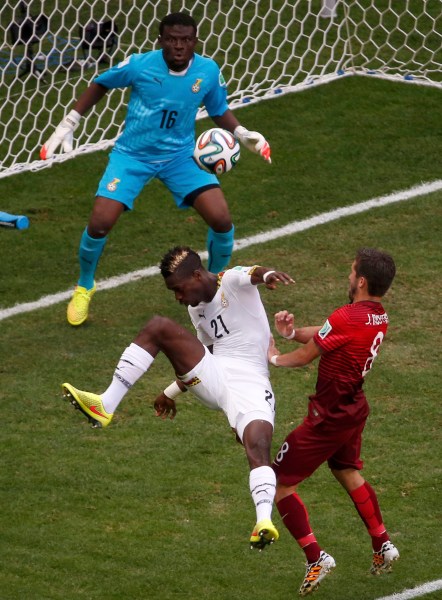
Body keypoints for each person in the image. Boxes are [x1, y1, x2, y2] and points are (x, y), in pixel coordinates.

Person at [41, 12, 271, 327]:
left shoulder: (207, 70)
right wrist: (71, 121)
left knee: (221, 219)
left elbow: (218, 109)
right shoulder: (140, 65)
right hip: (132, 156)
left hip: (180, 157)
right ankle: (84, 286)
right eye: (172, 40)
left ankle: (215, 286)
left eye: (186, 40)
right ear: (160, 40)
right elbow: (101, 82)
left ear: (195, 41)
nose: (179, 46)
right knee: (99, 223)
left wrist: (243, 134)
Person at [62, 246, 295, 548]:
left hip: (251, 383)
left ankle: (263, 521)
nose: (179, 298)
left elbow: (253, 273)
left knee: (257, 445)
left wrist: (268, 275)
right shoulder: (195, 308)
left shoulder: (231, 280)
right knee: (158, 326)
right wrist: (170, 391)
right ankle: (105, 404)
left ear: (197, 275)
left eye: (179, 289)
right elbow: (205, 353)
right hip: (216, 376)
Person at [267, 248, 398, 597]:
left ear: (362, 281)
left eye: (351, 270)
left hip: (329, 417)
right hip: (354, 408)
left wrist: (276, 358)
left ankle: (315, 557)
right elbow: (328, 332)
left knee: (278, 482)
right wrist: (293, 332)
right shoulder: (377, 315)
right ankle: (383, 543)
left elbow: (311, 354)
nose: (348, 275)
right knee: (347, 471)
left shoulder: (346, 317)